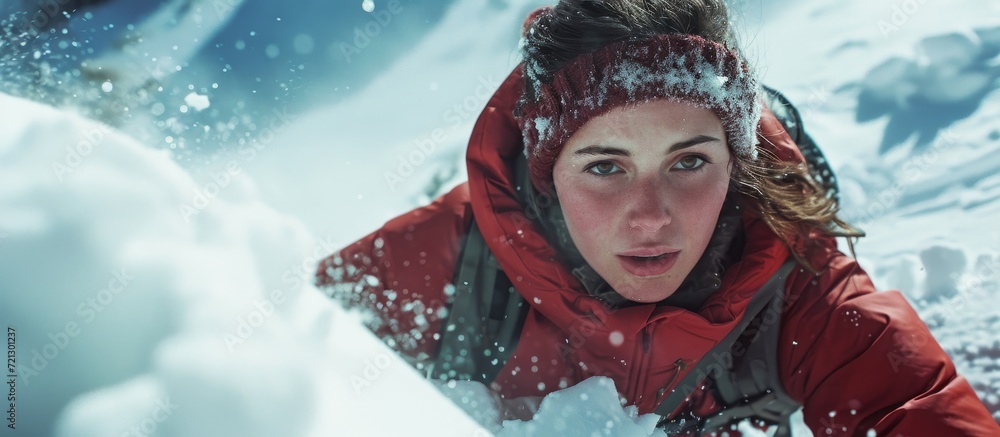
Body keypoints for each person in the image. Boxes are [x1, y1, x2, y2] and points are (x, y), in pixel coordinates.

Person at [316, 0, 999, 434]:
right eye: (606, 167)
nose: (650, 217)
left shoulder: (797, 282)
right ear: (548, 175)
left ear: (735, 166)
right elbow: (271, 361)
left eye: (689, 163)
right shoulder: (450, 259)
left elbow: (911, 405)